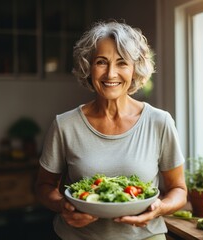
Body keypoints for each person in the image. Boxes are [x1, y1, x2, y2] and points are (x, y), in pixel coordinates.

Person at [35, 21, 187, 240]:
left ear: (135, 69)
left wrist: (159, 208)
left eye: (122, 63)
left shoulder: (159, 122)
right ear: (89, 67)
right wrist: (63, 206)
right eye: (101, 62)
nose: (111, 73)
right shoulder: (65, 125)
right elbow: (44, 186)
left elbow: (179, 190)